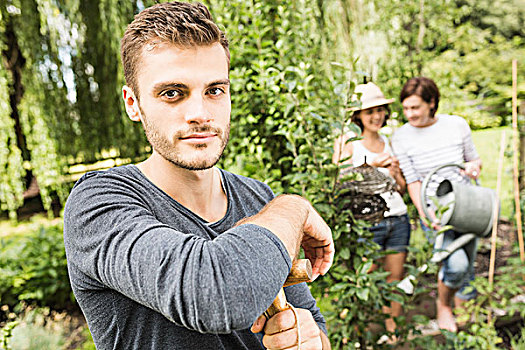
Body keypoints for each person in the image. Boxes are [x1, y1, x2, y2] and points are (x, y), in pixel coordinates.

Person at [63, 2, 334, 349]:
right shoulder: (98, 202)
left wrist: (312, 340)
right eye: (172, 93)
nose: (200, 113)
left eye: (214, 90)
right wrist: (295, 208)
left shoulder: (259, 199)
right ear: (133, 103)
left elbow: (316, 325)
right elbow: (216, 295)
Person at [392, 77, 482, 332]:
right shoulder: (401, 137)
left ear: (431, 103)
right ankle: (443, 305)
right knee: (455, 264)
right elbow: (413, 180)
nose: (409, 114)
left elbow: (473, 160)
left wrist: (474, 168)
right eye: (406, 108)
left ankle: (468, 324)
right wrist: (425, 213)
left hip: (467, 205)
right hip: (434, 210)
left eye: (415, 108)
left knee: (468, 265)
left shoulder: (456, 125)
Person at [332, 82, 410, 336]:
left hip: (397, 218)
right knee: (363, 278)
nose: (377, 116)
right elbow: (336, 183)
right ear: (358, 116)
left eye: (380, 110)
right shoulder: (349, 142)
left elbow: (400, 189)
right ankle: (350, 333)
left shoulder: (389, 141)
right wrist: (369, 166)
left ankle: (391, 332)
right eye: (370, 112)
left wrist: (396, 173)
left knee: (394, 280)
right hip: (367, 221)